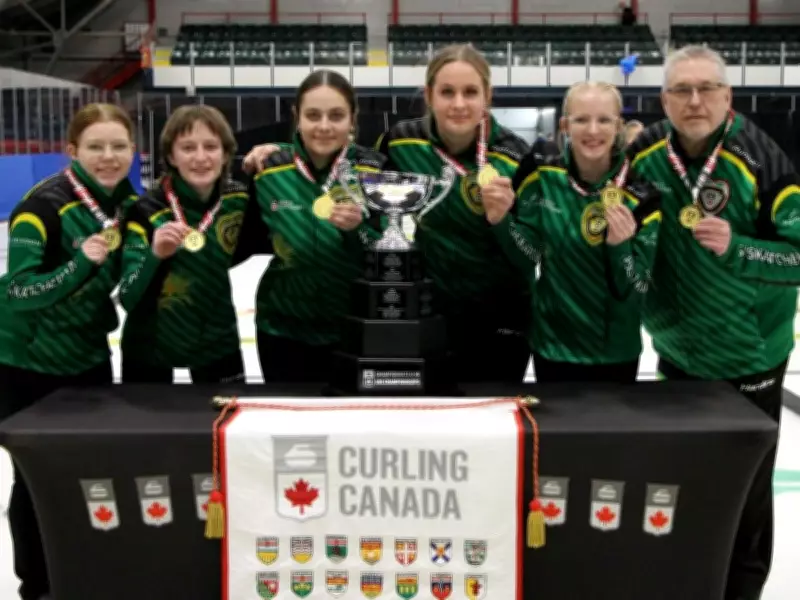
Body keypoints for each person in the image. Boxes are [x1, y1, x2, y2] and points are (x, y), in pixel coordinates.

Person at [628, 44, 800, 600]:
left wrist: (741, 248)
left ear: (728, 97)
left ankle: (741, 592)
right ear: (664, 100)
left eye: (707, 89)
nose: (694, 100)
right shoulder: (647, 150)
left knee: (746, 495)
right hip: (676, 354)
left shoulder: (763, 159)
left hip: (749, 357)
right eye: (681, 90)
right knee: (682, 485)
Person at [0, 102, 138, 600]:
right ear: (72, 151)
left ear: (132, 151)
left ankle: (85, 571)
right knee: (34, 479)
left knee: (88, 472)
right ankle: (35, 585)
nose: (108, 156)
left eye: (118, 146)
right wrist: (79, 265)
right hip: (28, 363)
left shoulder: (125, 201)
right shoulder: (41, 207)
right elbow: (16, 291)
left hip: (89, 358)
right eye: (95, 147)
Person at [493, 81, 661, 382]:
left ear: (619, 126)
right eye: (581, 119)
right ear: (564, 125)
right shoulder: (543, 174)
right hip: (553, 348)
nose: (593, 130)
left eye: (604, 120)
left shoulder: (642, 193)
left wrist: (619, 247)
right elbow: (527, 258)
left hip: (615, 352)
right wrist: (501, 222)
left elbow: (636, 288)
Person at [235, 69, 386, 382]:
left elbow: (386, 255)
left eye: (336, 115)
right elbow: (241, 243)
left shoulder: (375, 169)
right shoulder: (268, 169)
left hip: (354, 329)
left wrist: (357, 229)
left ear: (353, 119)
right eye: (313, 115)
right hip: (281, 331)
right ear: (297, 116)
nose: (324, 126)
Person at [118, 104, 249, 383]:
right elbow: (128, 297)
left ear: (226, 154)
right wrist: (155, 255)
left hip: (218, 343)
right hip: (149, 348)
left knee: (220, 425)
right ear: (171, 156)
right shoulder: (145, 209)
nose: (201, 157)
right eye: (188, 148)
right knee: (148, 428)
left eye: (211, 146)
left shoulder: (239, 200)